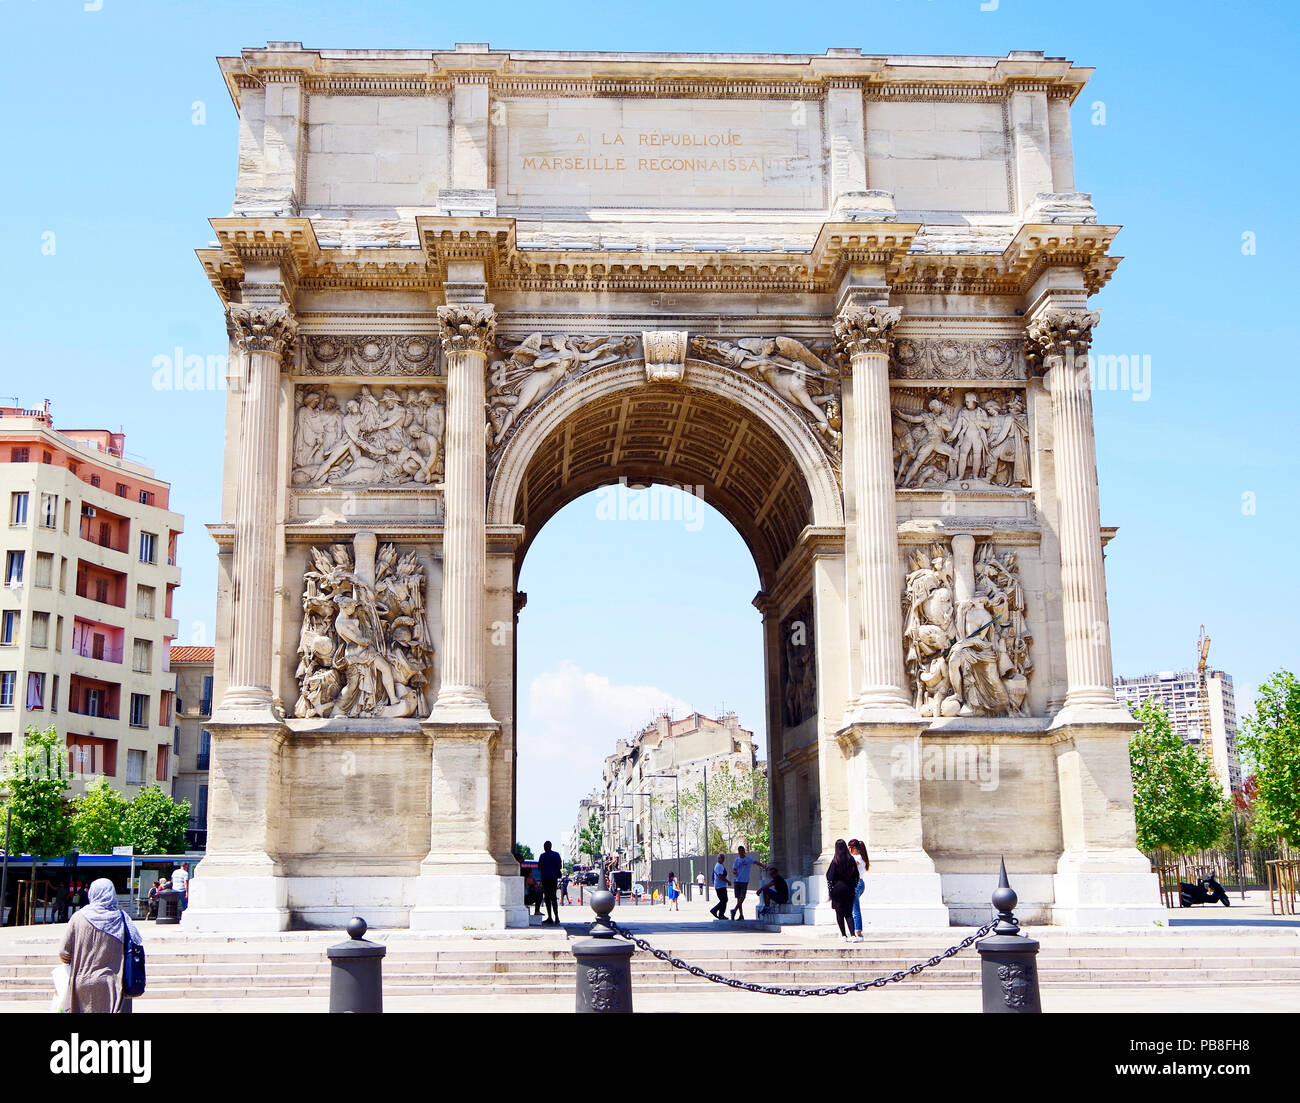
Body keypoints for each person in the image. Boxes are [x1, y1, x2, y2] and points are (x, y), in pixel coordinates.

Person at [57, 879, 142, 1014]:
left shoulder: (78, 917)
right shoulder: (121, 917)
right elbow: (137, 942)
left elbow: (63, 952)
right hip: (112, 984)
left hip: (82, 980)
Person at [825, 839, 859, 943]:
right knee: (849, 913)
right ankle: (853, 935)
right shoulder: (851, 859)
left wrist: (831, 891)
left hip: (838, 889)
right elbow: (856, 875)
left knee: (839, 913)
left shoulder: (835, 860)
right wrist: (853, 885)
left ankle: (844, 935)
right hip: (849, 888)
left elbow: (829, 876)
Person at [730, 845, 766, 921]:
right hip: (737, 881)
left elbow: (756, 862)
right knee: (738, 898)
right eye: (739, 851)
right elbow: (734, 869)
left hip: (744, 881)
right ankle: (741, 915)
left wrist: (764, 866)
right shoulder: (736, 860)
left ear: (744, 851)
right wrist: (734, 872)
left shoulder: (748, 859)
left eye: (742, 851)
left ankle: (734, 910)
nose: (740, 852)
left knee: (742, 897)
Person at [848, 839, 870, 941]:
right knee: (853, 908)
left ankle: (858, 932)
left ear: (855, 848)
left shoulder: (857, 858)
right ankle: (857, 931)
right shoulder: (863, 858)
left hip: (856, 884)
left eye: (850, 848)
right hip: (860, 883)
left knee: (855, 909)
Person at [537, 841, 562, 925]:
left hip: (545, 879)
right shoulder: (556, 854)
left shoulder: (543, 856)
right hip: (553, 878)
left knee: (547, 898)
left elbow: (539, 867)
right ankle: (557, 917)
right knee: (553, 897)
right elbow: (559, 866)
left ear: (545, 847)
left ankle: (550, 917)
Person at [709, 853, 729, 920]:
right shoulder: (719, 866)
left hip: (721, 885)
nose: (723, 859)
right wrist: (727, 881)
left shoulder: (720, 865)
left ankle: (721, 914)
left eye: (724, 858)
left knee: (723, 900)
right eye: (722, 858)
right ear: (718, 858)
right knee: (724, 900)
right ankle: (715, 910)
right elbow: (720, 876)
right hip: (720, 886)